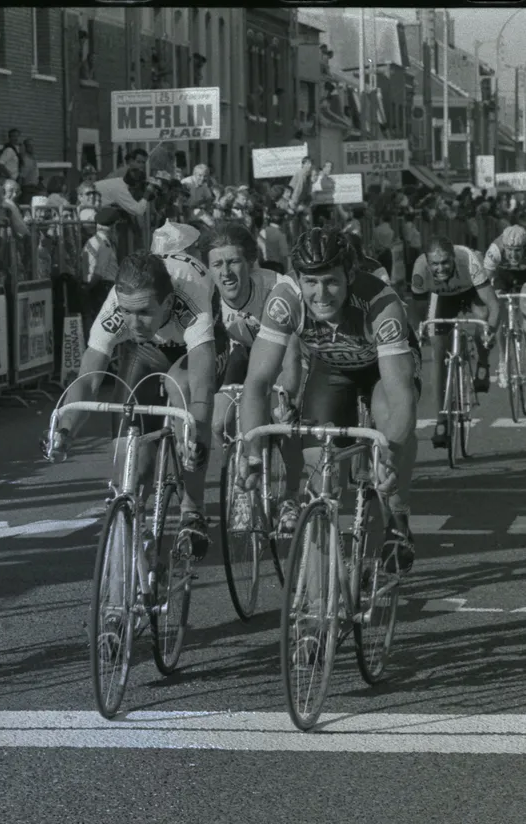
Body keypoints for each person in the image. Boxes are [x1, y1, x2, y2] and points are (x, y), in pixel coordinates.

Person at [240, 227, 420, 573]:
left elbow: (401, 397)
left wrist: (392, 455)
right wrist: (251, 449)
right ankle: (321, 593)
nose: (320, 294)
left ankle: (397, 519)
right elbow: (258, 381)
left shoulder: (381, 302)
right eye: (311, 282)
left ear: (350, 275)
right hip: (332, 368)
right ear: (298, 278)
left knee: (386, 425)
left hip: (381, 370)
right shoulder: (284, 299)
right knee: (317, 469)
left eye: (331, 282)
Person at [43, 251, 221, 561]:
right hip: (149, 350)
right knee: (132, 464)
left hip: (196, 349)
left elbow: (203, 389)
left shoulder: (190, 302)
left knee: (185, 391)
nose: (133, 322)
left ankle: (193, 510)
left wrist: (196, 435)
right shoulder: (119, 302)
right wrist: (65, 429)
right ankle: (138, 547)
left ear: (166, 304)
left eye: (143, 313)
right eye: (127, 312)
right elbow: (88, 379)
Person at [203, 222, 304, 523]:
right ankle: (244, 489)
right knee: (221, 420)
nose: (226, 272)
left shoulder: (278, 288)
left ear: (250, 262)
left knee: (284, 421)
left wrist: (286, 395)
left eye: (233, 262)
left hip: (287, 350)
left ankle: (292, 495)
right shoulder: (207, 295)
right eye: (217, 264)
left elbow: (292, 356)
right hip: (243, 350)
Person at [408, 237, 500, 450]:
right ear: (427, 262)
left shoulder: (469, 259)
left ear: (453, 258)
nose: (440, 268)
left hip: (471, 291)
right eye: (435, 264)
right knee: (438, 352)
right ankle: (441, 419)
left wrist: (489, 332)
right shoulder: (420, 269)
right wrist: (418, 330)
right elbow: (417, 309)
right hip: (441, 298)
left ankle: (483, 364)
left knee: (482, 319)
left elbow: (493, 306)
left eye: (445, 262)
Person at [482, 223, 526, 387]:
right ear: (504, 247)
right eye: (510, 250)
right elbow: (483, 283)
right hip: (503, 276)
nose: (513, 255)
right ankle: (502, 362)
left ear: (524, 247)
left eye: (518, 250)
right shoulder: (495, 249)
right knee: (498, 310)